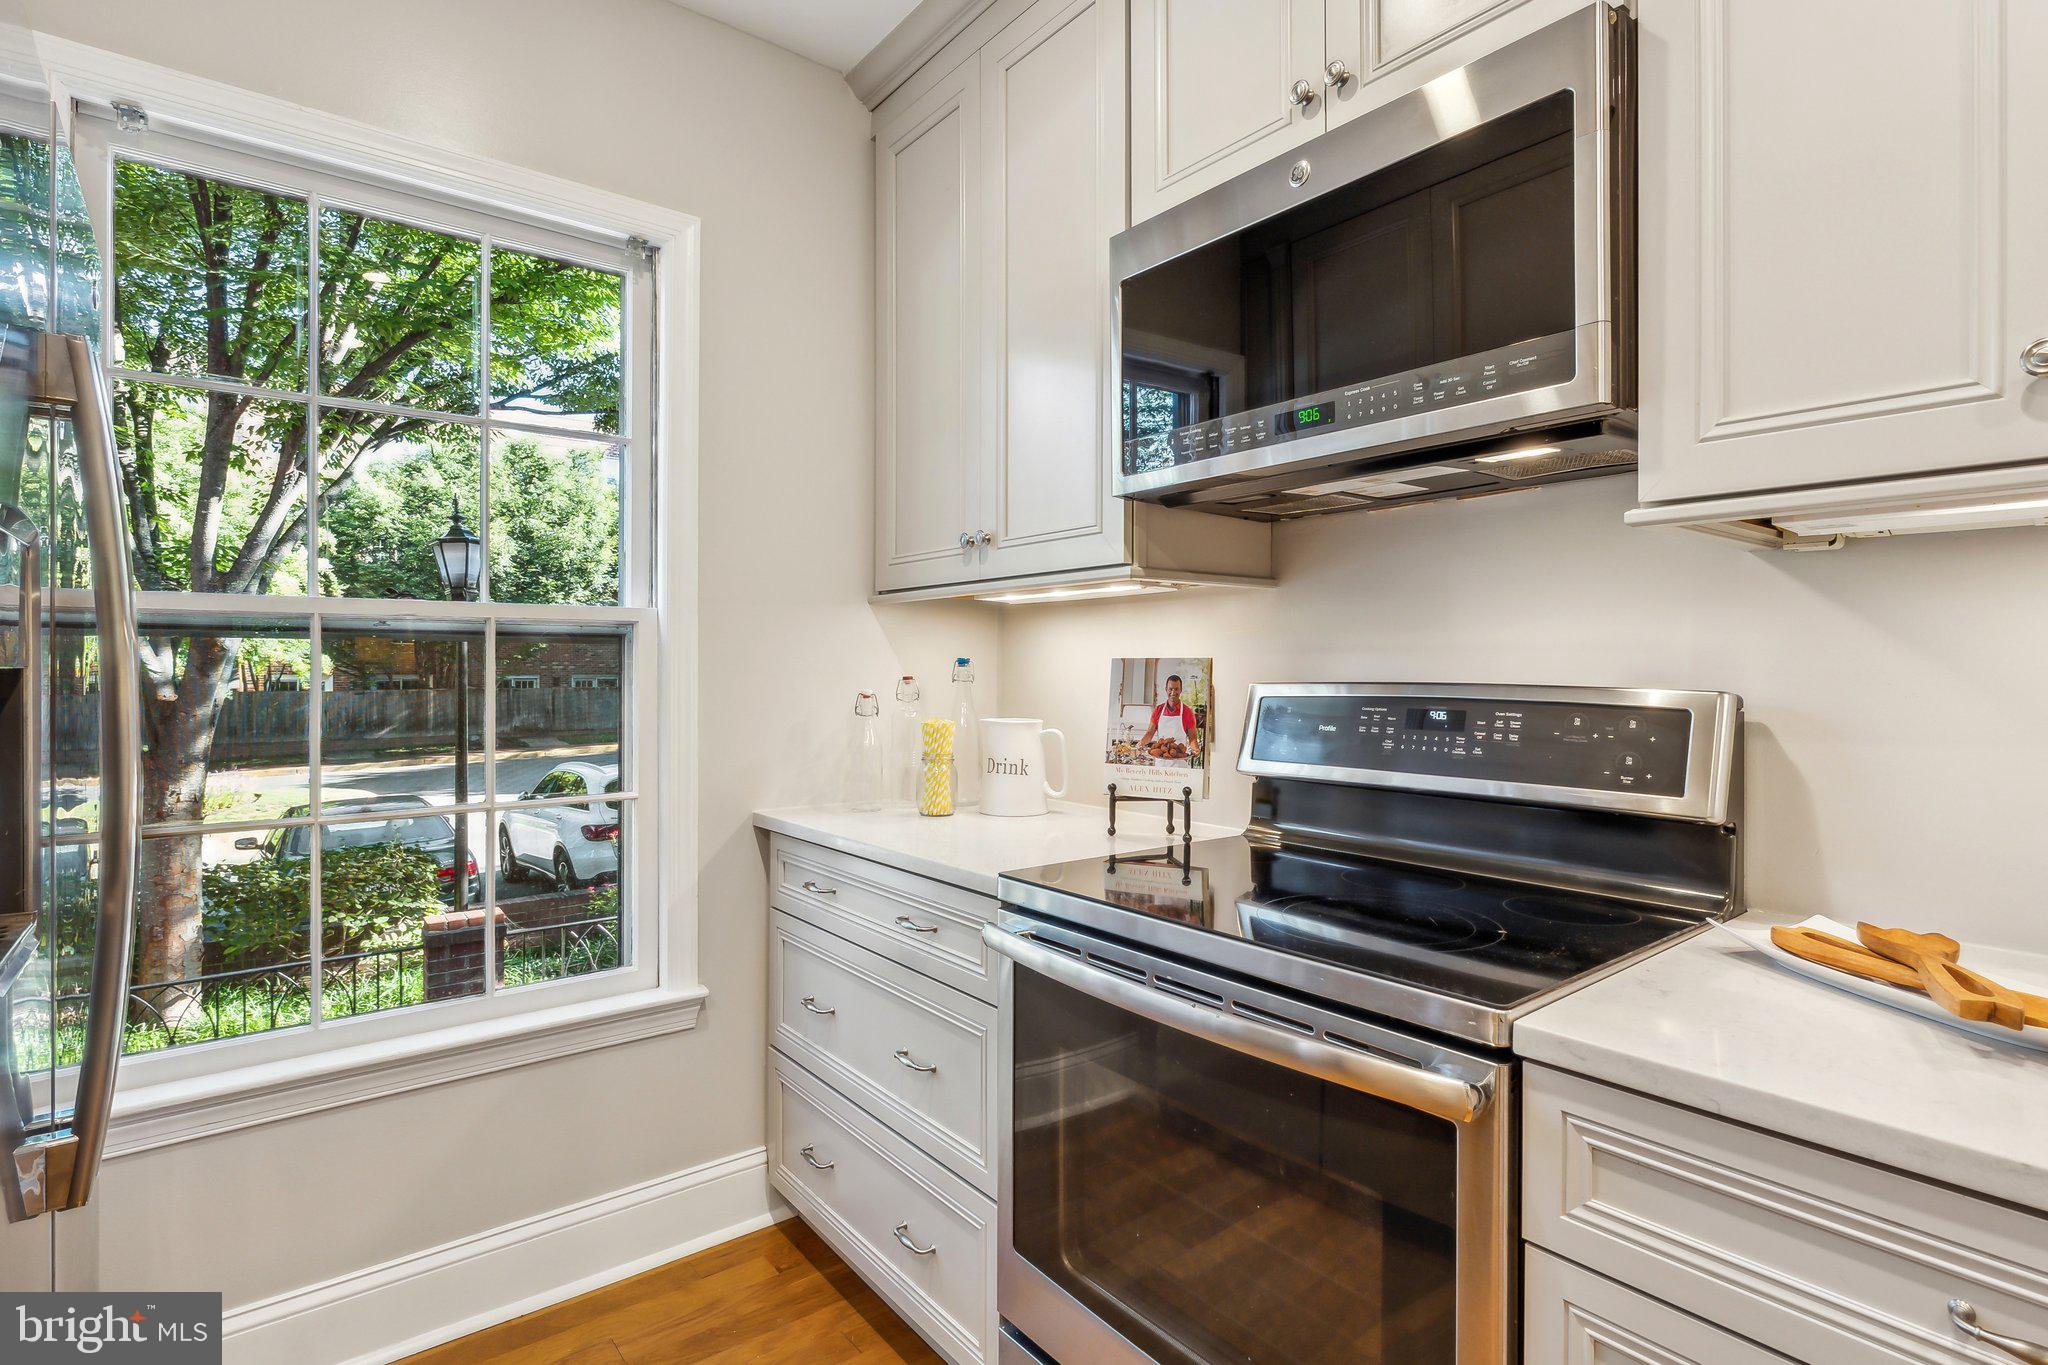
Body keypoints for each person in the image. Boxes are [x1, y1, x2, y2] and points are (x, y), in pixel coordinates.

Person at [1139, 673, 1199, 757]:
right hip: (1161, 761)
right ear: (1166, 689)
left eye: (1176, 689)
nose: (1173, 692)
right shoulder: (1158, 710)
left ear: (1181, 690)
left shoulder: (1187, 712)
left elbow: (1192, 738)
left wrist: (1195, 749)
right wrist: (1141, 743)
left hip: (1180, 762)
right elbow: (1150, 733)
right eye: (1170, 689)